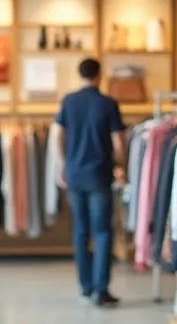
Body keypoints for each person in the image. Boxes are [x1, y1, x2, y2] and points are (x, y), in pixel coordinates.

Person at [54, 58, 126, 307]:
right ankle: (100, 289)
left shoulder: (69, 101)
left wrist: (63, 164)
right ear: (99, 75)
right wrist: (121, 167)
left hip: (74, 175)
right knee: (103, 231)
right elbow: (119, 142)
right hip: (99, 175)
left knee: (81, 231)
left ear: (80, 74)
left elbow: (58, 135)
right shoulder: (107, 104)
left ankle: (85, 287)